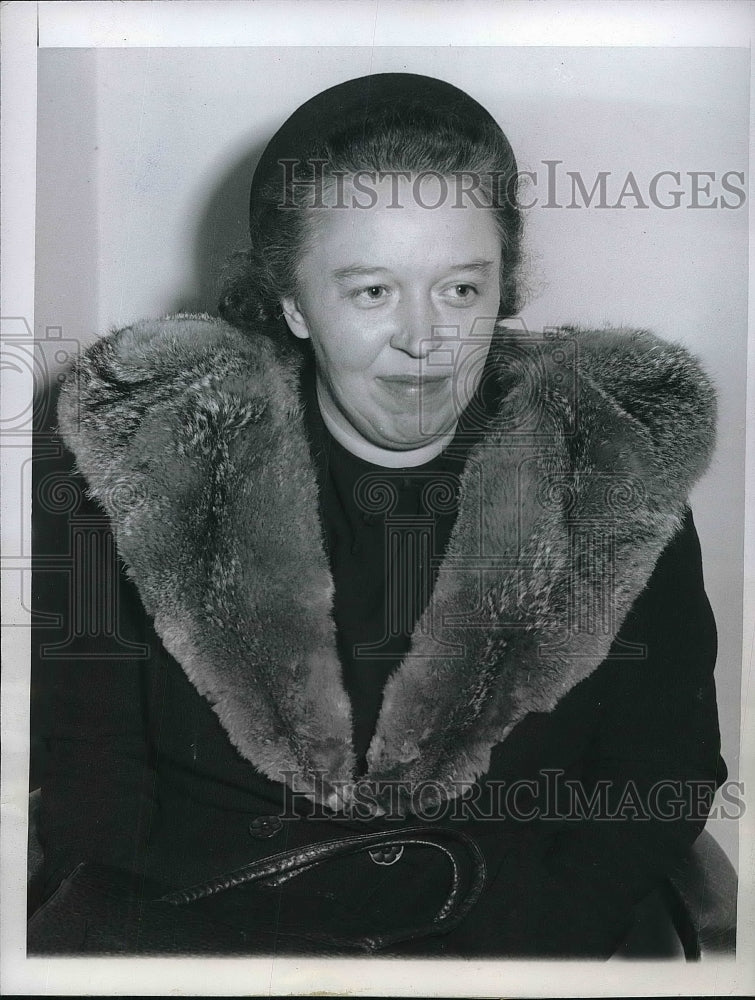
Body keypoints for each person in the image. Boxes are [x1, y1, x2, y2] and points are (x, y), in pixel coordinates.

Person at [28, 72, 725, 958]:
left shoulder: (607, 466)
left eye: (460, 290)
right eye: (371, 292)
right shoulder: (149, 463)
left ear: (501, 291)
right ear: (292, 304)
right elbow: (94, 776)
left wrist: (515, 952)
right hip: (212, 929)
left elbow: (658, 778)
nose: (423, 336)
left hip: (506, 937)